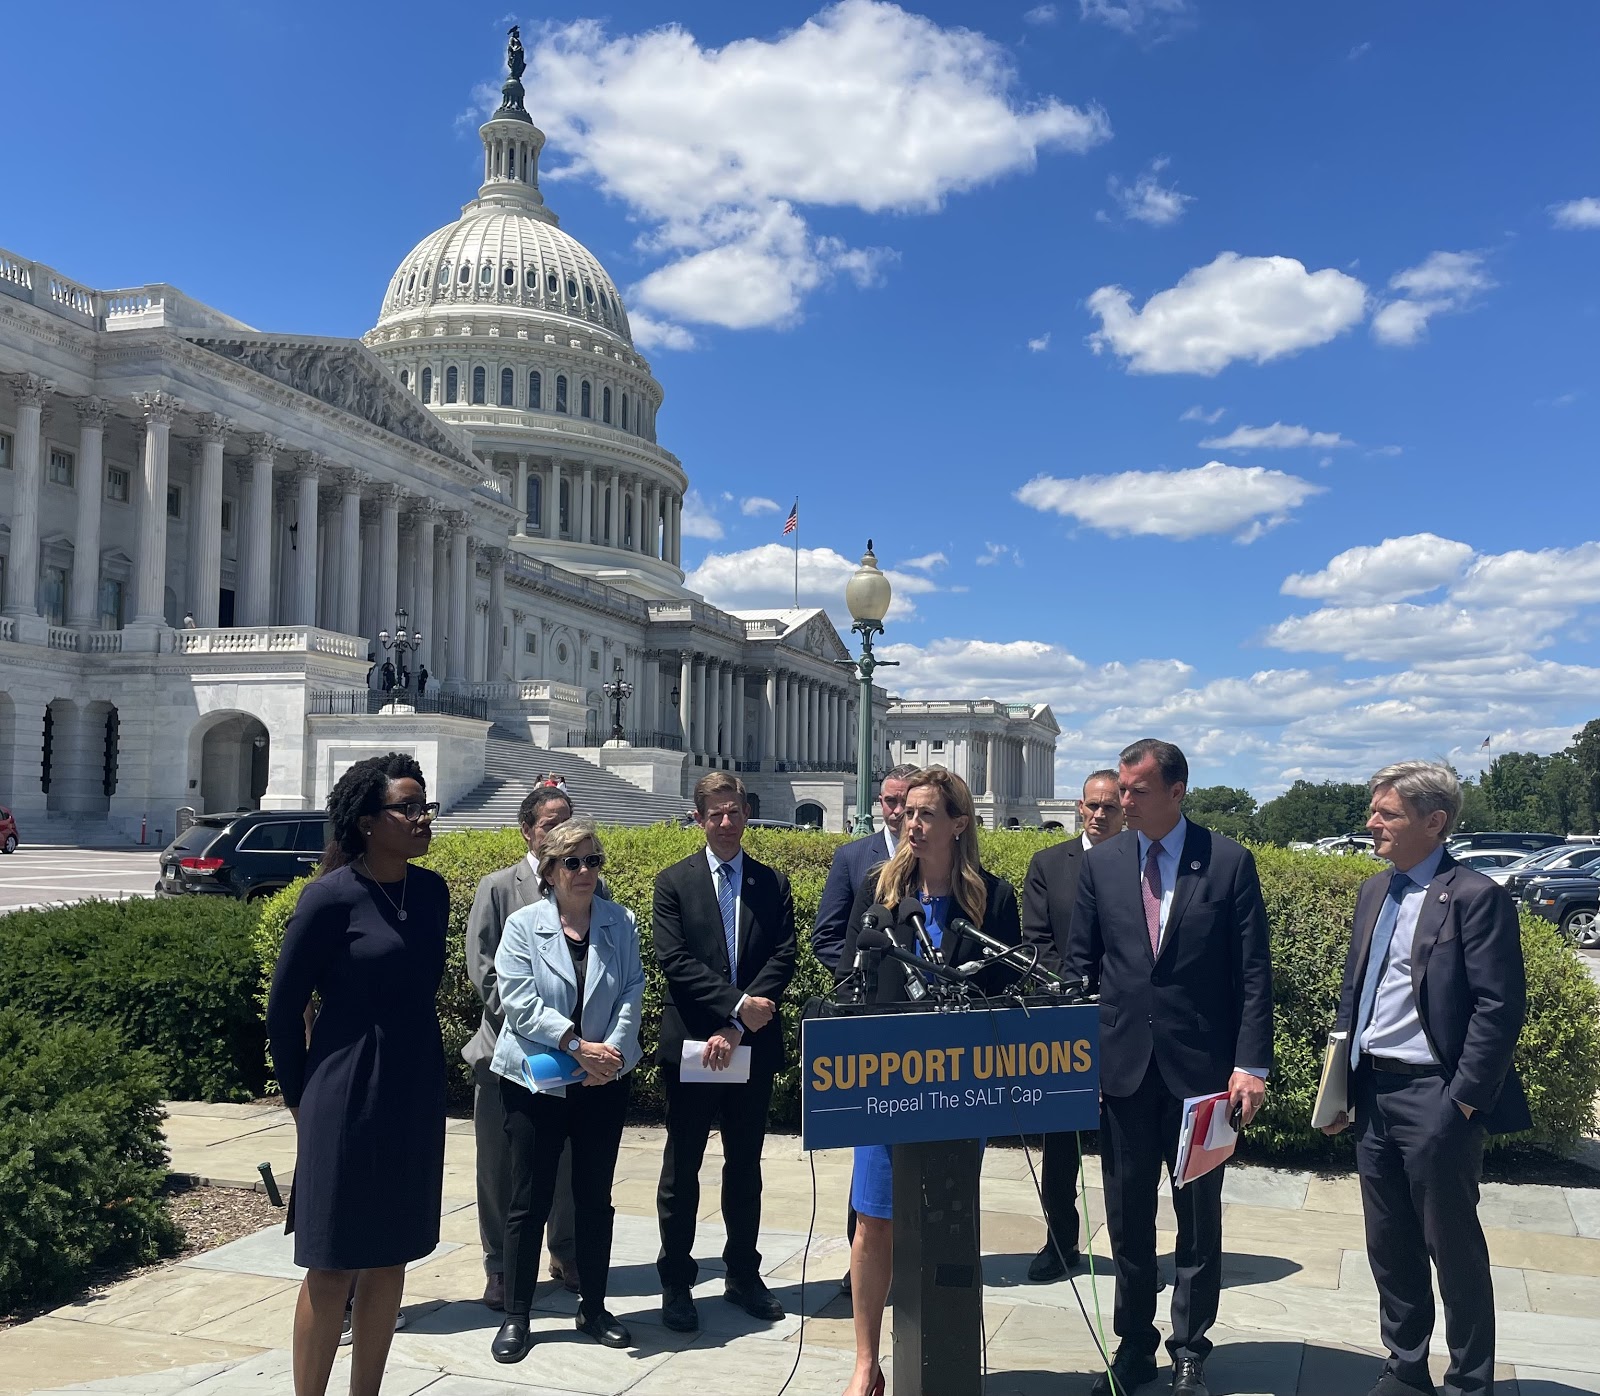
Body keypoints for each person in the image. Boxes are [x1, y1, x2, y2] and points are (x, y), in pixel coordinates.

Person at [1067, 739, 1273, 1396]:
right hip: (1122, 1074)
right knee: (1127, 1220)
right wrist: (1079, 1066)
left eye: (1136, 791)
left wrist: (1250, 1065)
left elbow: (1252, 975)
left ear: (1176, 790)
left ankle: (1190, 1349)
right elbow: (1080, 972)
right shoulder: (1101, 865)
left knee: (1198, 1219)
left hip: (1202, 1079)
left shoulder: (1228, 862)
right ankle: (1134, 1346)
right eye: (1120, 790)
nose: (1122, 802)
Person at [1321, 762, 1528, 1396]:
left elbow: (1500, 1006)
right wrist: (1338, 1084)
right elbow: (1355, 995)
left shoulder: (1474, 896)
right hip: (1372, 1090)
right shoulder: (1373, 892)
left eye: (1387, 813)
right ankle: (1405, 1364)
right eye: (1374, 810)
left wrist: (1463, 1100)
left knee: (1453, 1246)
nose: (1371, 823)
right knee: (1388, 1241)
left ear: (1433, 822)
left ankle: (1470, 1380)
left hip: (1436, 1095)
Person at [834, 766, 1022, 1396]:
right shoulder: (877, 890)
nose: (911, 823)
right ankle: (866, 1359)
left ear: (958, 824)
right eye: (907, 812)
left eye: (925, 814)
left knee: (948, 1215)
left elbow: (1007, 990)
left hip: (959, 1090)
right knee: (874, 1221)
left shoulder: (991, 899)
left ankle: (946, 1348)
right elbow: (852, 975)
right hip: (887, 1085)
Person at [265, 754, 448, 1396]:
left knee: (390, 1255)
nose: (423, 818)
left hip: (413, 1086)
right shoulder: (329, 897)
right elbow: (284, 1009)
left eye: (426, 805)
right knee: (333, 1261)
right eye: (408, 807)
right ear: (368, 821)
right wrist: (301, 1097)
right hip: (343, 1090)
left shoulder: (431, 892)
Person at [488, 817, 645, 1362]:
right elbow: (520, 1003)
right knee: (528, 1200)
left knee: (594, 1200)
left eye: (593, 860)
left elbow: (631, 989)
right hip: (538, 1079)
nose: (584, 871)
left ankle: (595, 1308)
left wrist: (614, 1053)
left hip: (604, 1079)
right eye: (572, 862)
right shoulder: (523, 925)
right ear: (551, 870)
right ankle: (517, 1315)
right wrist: (578, 1046)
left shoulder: (619, 921)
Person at [652, 771, 797, 1333]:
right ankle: (676, 1282)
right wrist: (736, 1009)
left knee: (745, 1166)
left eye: (734, 811)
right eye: (715, 813)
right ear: (698, 819)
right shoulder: (674, 883)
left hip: (750, 1047)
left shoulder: (770, 881)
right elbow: (676, 961)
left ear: (746, 812)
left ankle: (743, 1273)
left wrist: (740, 1027)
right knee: (681, 1168)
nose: (726, 821)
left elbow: (782, 953)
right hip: (693, 1043)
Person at [464, 787, 594, 1310]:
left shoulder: (586, 885)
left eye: (566, 820)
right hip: (507, 1055)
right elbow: (486, 974)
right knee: (500, 1169)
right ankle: (500, 1265)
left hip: (572, 1056)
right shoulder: (498, 888)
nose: (557, 831)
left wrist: (578, 1037)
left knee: (563, 1164)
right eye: (547, 824)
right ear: (527, 831)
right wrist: (544, 1028)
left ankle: (565, 1252)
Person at [811, 763, 917, 1292]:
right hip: (873, 1026)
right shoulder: (855, 858)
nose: (895, 811)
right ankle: (865, 1273)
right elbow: (831, 934)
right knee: (870, 1161)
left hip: (929, 1035)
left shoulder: (946, 863)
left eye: (905, 801)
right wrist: (860, 981)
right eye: (889, 801)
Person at [1019, 768, 1124, 1283]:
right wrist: (1075, 996)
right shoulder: (1047, 863)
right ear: (1080, 807)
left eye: (1110, 806)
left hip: (1128, 1023)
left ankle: (1133, 1252)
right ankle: (1060, 1242)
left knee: (1127, 1148)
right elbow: (1037, 942)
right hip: (1065, 1020)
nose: (1099, 814)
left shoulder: (1139, 863)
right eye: (1092, 805)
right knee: (1060, 1147)